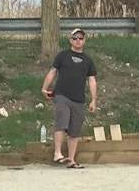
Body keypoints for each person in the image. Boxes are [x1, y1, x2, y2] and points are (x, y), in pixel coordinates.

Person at [41, 28, 97, 169]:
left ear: (84, 41)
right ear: (70, 40)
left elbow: (92, 80)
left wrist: (93, 100)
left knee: (75, 130)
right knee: (62, 122)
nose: (78, 40)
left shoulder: (88, 60)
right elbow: (53, 72)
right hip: (62, 94)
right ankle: (57, 153)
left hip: (79, 98)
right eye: (75, 38)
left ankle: (71, 159)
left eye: (80, 38)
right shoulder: (63, 55)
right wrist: (44, 87)